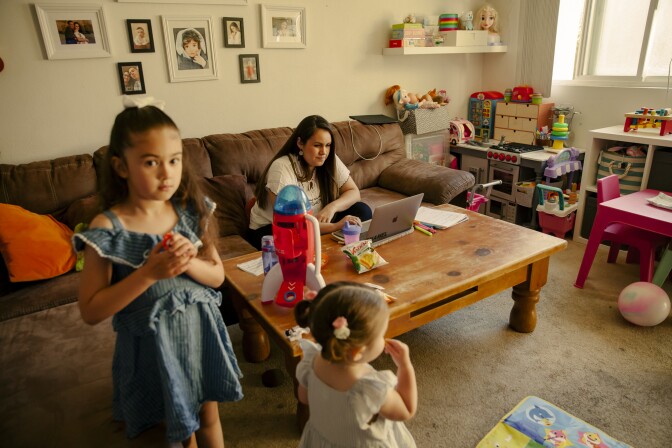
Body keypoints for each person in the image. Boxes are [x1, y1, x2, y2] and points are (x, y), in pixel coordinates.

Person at [73, 97, 243, 446]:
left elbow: (217, 277)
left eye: (174, 160)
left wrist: (189, 262)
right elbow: (91, 310)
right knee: (174, 430)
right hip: (153, 351)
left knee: (208, 418)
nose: (167, 173)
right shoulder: (108, 227)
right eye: (151, 162)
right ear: (121, 167)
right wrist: (148, 273)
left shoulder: (191, 211)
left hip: (200, 338)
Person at [293, 282, 417, 447]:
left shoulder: (311, 360)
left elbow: (303, 397)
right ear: (357, 351)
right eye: (381, 335)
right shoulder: (369, 387)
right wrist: (405, 366)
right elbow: (406, 410)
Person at [246, 115, 372, 250]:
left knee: (361, 211)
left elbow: (353, 192)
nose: (324, 152)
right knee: (297, 237)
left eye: (328, 145)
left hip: (313, 222)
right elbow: (293, 223)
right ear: (300, 143)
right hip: (274, 230)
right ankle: (326, 245)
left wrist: (331, 208)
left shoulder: (328, 159)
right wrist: (336, 226)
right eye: (317, 145)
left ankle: (330, 247)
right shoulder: (282, 168)